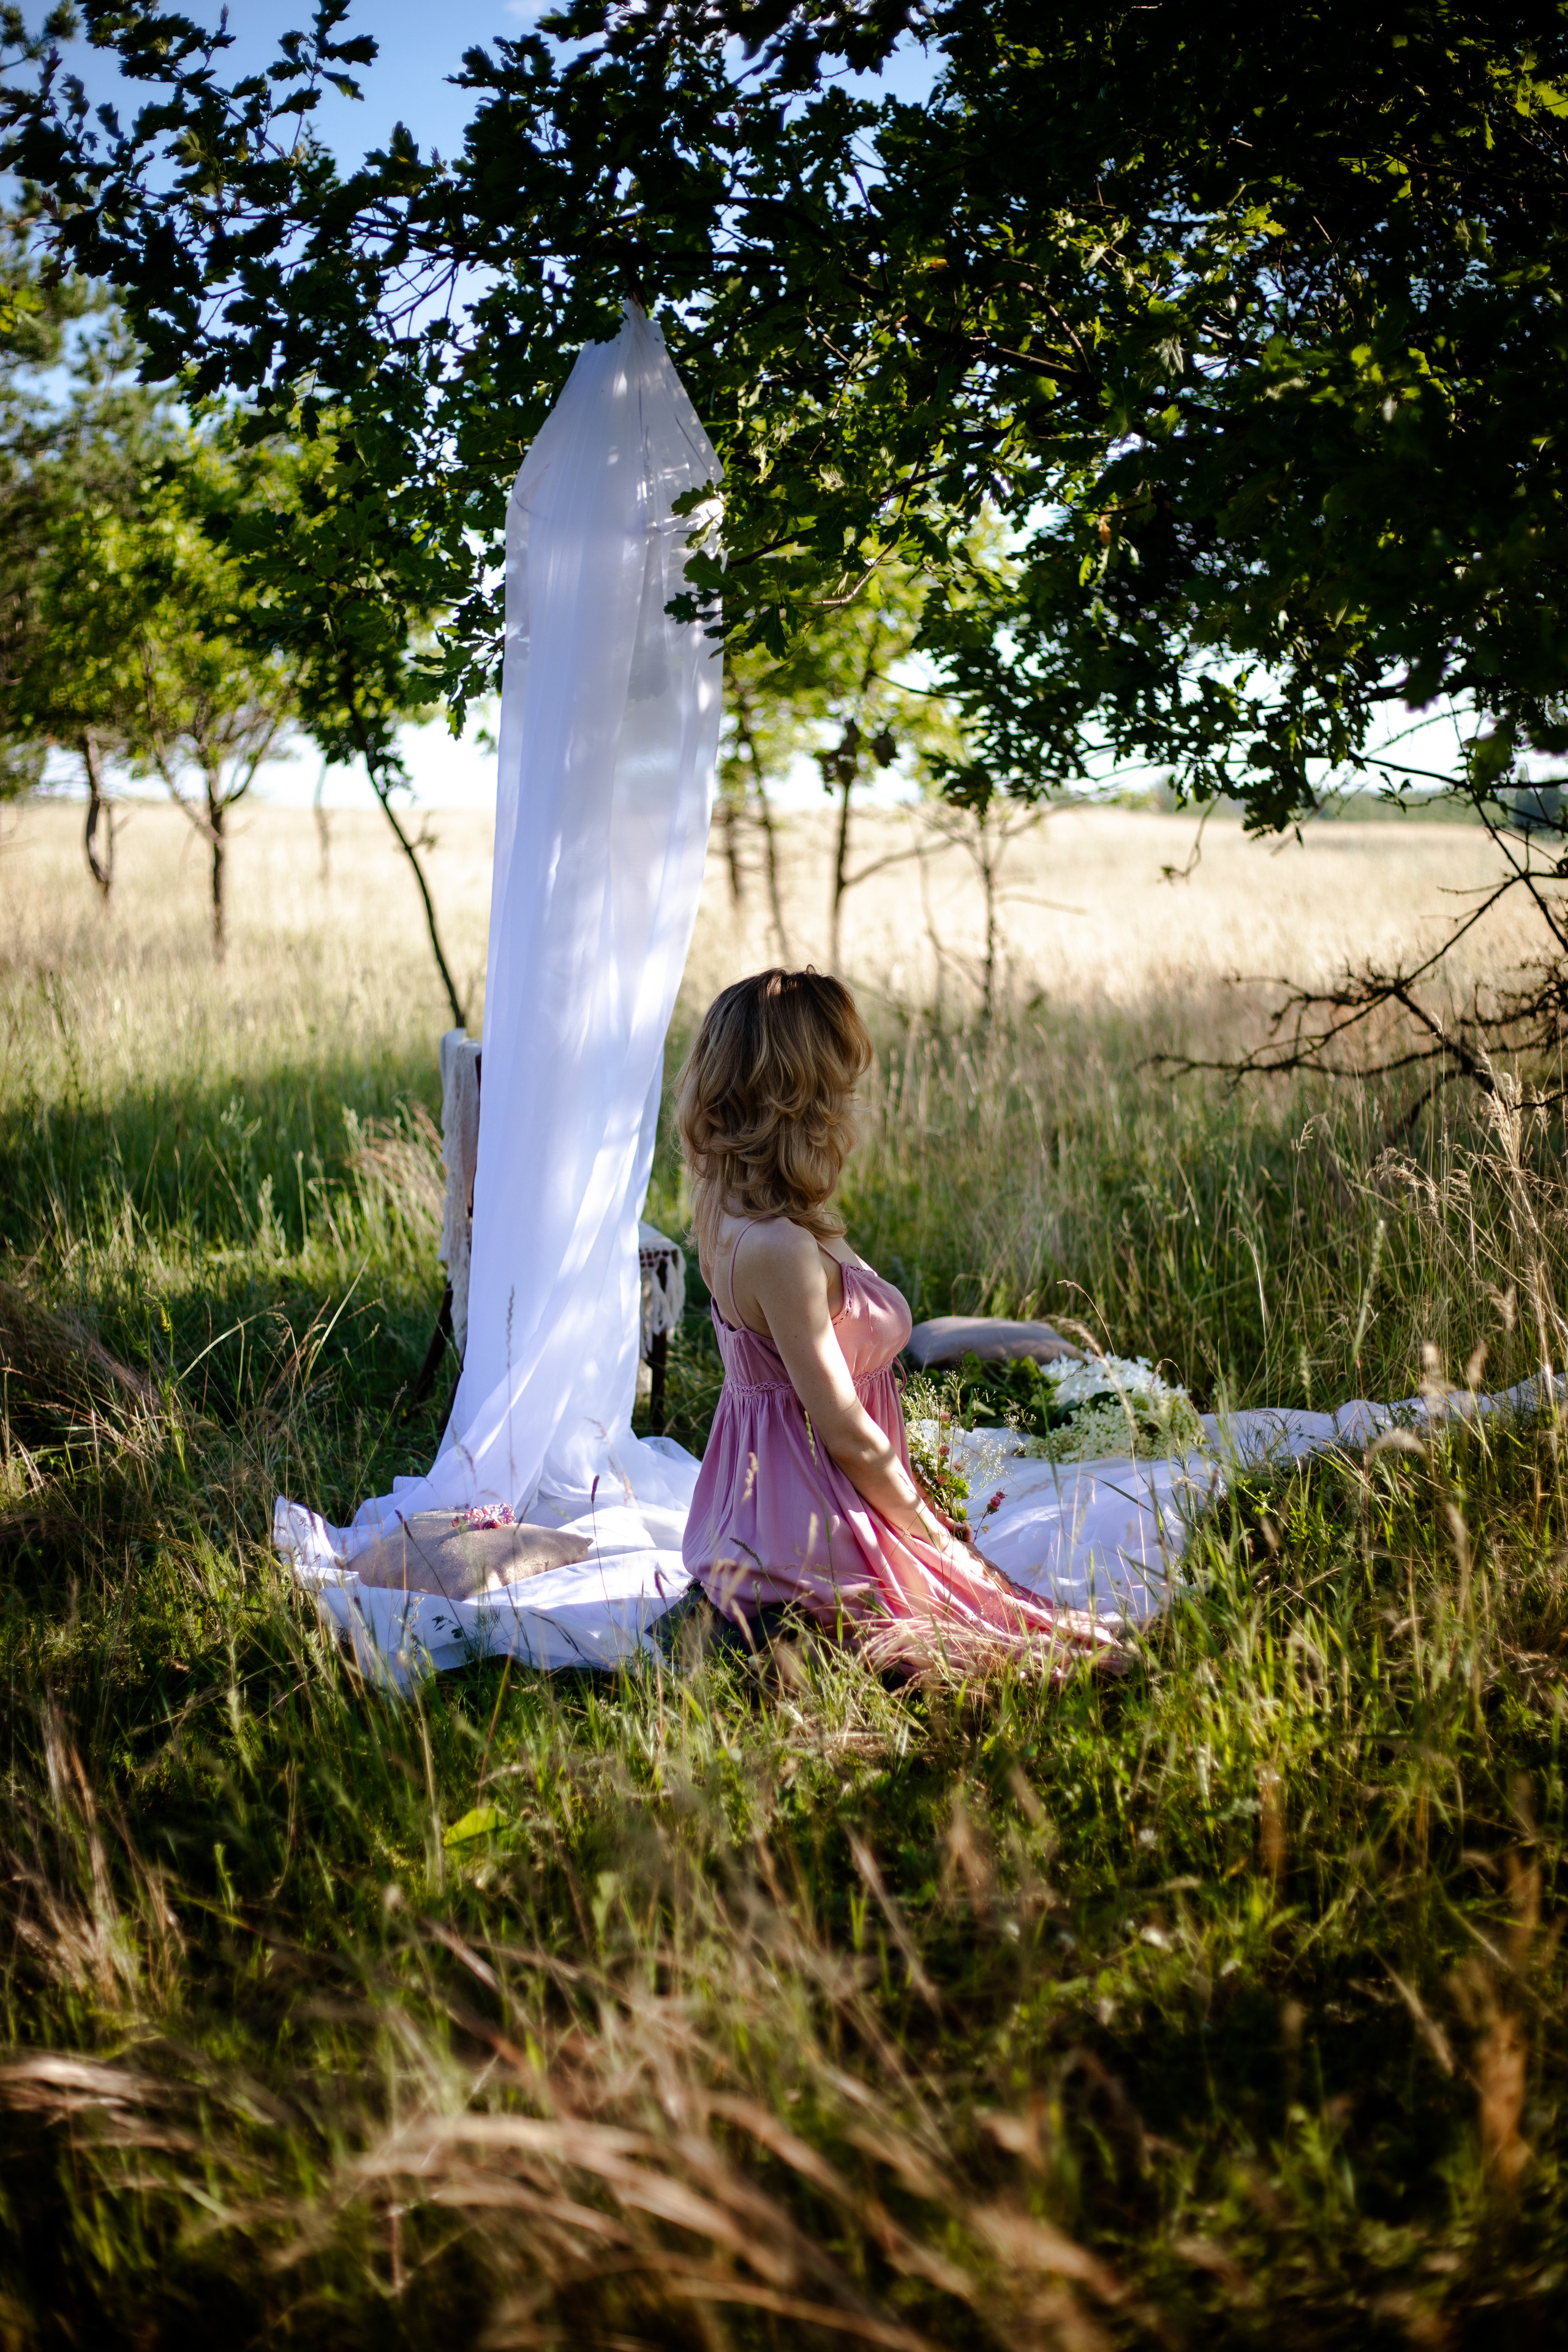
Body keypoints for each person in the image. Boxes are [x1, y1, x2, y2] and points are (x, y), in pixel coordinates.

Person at [677, 968, 1117, 1677]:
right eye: (837, 1086)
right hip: (807, 1521)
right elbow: (845, 1433)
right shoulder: (779, 1247)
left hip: (794, 1500)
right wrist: (931, 1537)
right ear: (797, 1097)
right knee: (1009, 1637)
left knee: (1017, 1616)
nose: (849, 1103)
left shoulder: (739, 1211)